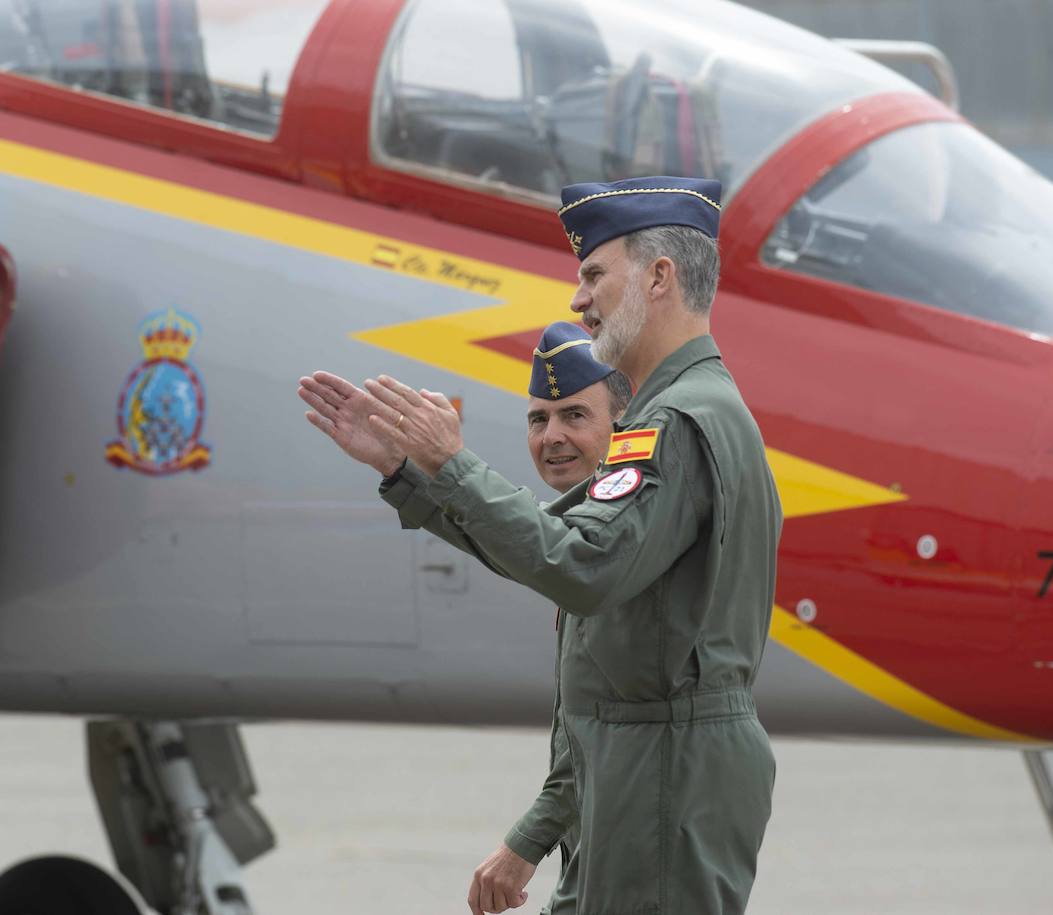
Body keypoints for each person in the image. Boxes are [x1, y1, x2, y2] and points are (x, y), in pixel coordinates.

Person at [298, 175, 782, 915]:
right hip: (642, 770)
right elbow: (557, 546)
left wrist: (451, 464)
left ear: (659, 277)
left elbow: (579, 565)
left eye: (594, 274)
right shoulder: (688, 408)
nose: (578, 299)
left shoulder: (675, 421)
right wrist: (409, 472)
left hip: (660, 773)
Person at [471, 322, 631, 915]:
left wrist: (523, 845)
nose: (552, 437)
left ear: (623, 424)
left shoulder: (618, 545)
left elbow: (606, 734)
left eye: (574, 417)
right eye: (539, 420)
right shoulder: (589, 526)